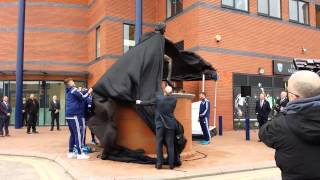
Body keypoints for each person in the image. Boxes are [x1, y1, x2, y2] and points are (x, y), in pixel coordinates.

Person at [259, 70, 320, 180]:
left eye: (288, 92)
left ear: (294, 96)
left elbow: (264, 132)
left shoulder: (280, 124)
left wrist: (285, 110)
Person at [136, 85, 177, 169]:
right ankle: (171, 165)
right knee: (170, 145)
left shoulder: (159, 98)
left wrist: (139, 102)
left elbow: (149, 103)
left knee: (159, 144)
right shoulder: (174, 99)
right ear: (171, 93)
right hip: (170, 125)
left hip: (160, 125)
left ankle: (159, 164)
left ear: (164, 92)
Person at [64, 78, 92, 160]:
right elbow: (83, 97)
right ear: (70, 83)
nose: (74, 82)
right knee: (78, 134)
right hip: (75, 115)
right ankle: (80, 153)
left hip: (69, 115)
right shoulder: (74, 89)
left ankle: (70, 152)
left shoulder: (69, 91)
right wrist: (89, 92)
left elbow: (80, 94)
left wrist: (85, 92)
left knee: (72, 134)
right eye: (72, 81)